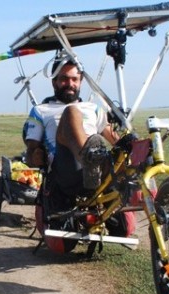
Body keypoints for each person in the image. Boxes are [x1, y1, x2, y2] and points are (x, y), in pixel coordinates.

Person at [23, 59, 120, 209]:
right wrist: (35, 157)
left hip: (101, 170)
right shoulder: (41, 110)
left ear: (81, 81)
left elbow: (116, 141)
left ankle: (159, 205)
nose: (70, 84)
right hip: (65, 171)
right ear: (54, 82)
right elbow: (30, 154)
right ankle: (88, 160)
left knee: (131, 154)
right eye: (64, 79)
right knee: (71, 111)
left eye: (74, 79)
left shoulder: (93, 108)